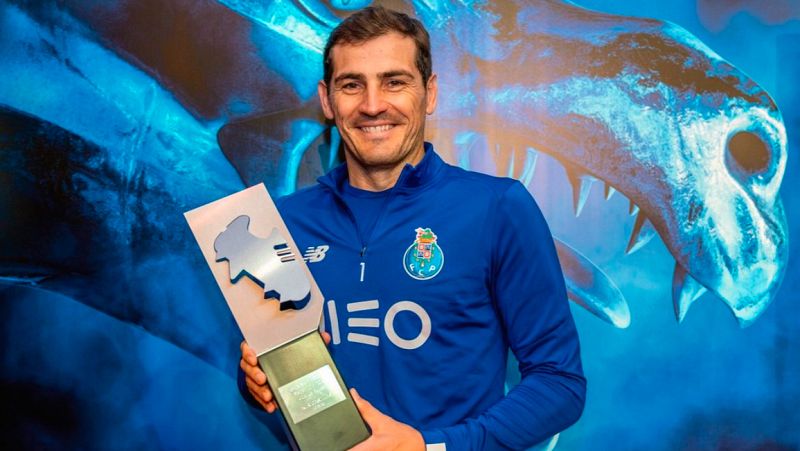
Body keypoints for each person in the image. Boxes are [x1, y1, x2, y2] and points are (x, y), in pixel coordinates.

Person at [240, 6, 585, 450]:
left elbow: (560, 383)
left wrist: (430, 446)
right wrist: (254, 379)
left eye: (394, 82)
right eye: (352, 85)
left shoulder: (497, 207)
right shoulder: (282, 222)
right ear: (327, 100)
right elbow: (273, 377)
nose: (372, 105)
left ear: (430, 93)